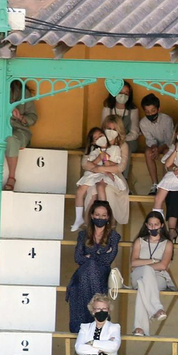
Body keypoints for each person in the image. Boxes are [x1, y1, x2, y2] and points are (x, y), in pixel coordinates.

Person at [69, 204, 120, 333]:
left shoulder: (113, 236)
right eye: (97, 215)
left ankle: (86, 323)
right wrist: (99, 254)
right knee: (89, 268)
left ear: (108, 217)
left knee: (91, 266)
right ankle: (98, 319)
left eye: (103, 215)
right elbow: (77, 258)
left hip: (102, 273)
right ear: (92, 215)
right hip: (83, 273)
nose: (100, 218)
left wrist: (89, 256)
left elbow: (108, 260)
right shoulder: (83, 235)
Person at [0, 80, 37, 192]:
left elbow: (33, 118)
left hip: (19, 129)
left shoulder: (23, 92)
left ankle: (11, 177)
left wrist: (20, 117)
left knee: (11, 139)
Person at [74, 124, 129, 232]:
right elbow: (89, 164)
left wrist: (104, 160)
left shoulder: (115, 148)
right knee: (81, 190)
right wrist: (99, 158)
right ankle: (81, 219)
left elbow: (116, 165)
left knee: (100, 188)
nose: (100, 138)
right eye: (96, 138)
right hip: (95, 174)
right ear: (93, 142)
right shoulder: (95, 150)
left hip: (107, 174)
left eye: (101, 135)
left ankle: (105, 217)